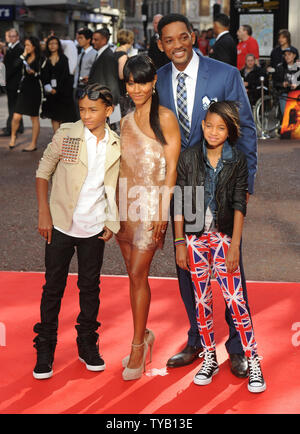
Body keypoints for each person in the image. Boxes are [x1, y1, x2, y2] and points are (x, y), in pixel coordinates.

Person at [156, 13, 257, 377]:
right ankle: (199, 339)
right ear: (161, 45)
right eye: (169, 40)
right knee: (187, 269)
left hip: (224, 185)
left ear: (193, 37)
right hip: (184, 191)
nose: (178, 45)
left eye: (183, 37)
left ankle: (237, 347)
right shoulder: (158, 80)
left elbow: (245, 131)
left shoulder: (225, 74)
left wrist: (246, 185)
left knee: (230, 270)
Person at [174, 101, 266, 393]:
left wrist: (235, 245)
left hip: (224, 238)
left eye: (221, 127)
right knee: (201, 302)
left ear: (230, 131)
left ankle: (253, 360)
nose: (214, 132)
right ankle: (209, 357)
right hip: (194, 238)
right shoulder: (188, 158)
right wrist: (179, 243)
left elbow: (240, 204)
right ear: (202, 125)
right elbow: (180, 202)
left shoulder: (237, 160)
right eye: (209, 125)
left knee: (236, 302)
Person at [32, 83, 121, 380]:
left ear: (108, 111)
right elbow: (44, 170)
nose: (86, 115)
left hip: (94, 228)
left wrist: (111, 221)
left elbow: (115, 187)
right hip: (59, 224)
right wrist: (44, 213)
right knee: (53, 288)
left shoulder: (115, 144)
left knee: (90, 288)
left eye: (93, 110)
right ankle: (45, 348)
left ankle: (86, 344)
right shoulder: (67, 133)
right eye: (82, 109)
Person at [115, 54, 181, 381]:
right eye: (131, 82)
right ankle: (145, 334)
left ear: (154, 82)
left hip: (151, 209)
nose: (136, 88)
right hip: (123, 209)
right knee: (133, 276)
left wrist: (162, 211)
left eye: (142, 81)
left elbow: (172, 167)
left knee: (139, 271)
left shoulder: (165, 118)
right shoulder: (124, 121)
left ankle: (138, 345)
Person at [9, 36, 44, 152]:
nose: (26, 47)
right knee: (16, 117)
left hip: (35, 89)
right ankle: (13, 137)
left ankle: (33, 144)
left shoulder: (41, 58)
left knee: (34, 117)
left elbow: (44, 75)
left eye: (28, 45)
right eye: (25, 45)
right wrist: (24, 54)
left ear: (34, 46)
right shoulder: (25, 56)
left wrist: (35, 73)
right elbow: (15, 65)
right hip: (24, 89)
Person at [41, 36, 77, 132]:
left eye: (55, 43)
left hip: (62, 93)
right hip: (50, 93)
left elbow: (65, 76)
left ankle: (61, 139)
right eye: (50, 43)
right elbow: (43, 76)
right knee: (54, 117)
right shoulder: (45, 59)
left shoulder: (64, 58)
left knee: (62, 117)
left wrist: (57, 90)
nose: (52, 46)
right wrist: (49, 88)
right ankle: (56, 138)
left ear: (58, 45)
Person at [1, 29, 24, 137]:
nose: (11, 38)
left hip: (14, 82)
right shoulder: (11, 47)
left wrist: (4, 77)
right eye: (10, 36)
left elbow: (14, 66)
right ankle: (19, 127)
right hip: (11, 82)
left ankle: (10, 128)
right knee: (16, 105)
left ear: (18, 37)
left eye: (13, 36)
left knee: (12, 106)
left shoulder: (19, 48)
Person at [88, 28, 120, 106]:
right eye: (93, 39)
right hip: (99, 98)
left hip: (104, 100)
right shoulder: (102, 54)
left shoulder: (108, 56)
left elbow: (112, 81)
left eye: (96, 40)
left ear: (104, 40)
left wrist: (112, 103)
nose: (92, 42)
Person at [73, 27, 97, 118]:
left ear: (88, 40)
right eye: (78, 38)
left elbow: (94, 71)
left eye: (81, 38)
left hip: (87, 88)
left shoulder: (94, 54)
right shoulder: (80, 54)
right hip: (77, 87)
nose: (79, 40)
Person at [114, 29, 135, 116]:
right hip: (121, 91)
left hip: (115, 90)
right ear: (130, 41)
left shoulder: (115, 52)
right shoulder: (123, 55)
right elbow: (122, 75)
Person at [273, 46, 300, 116]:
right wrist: (282, 84)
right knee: (286, 112)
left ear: (294, 56)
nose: (287, 57)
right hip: (284, 93)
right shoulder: (280, 67)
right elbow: (275, 83)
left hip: (297, 94)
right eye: (285, 55)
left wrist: (297, 85)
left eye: (289, 54)